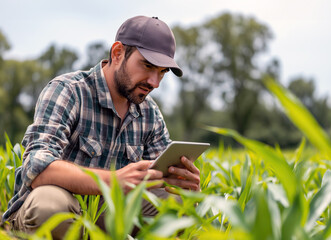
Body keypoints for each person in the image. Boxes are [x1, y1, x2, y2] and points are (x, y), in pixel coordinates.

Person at [2, 16, 200, 238]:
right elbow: (37, 168)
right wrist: (113, 181)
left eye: (162, 72)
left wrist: (184, 185)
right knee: (48, 206)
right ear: (117, 54)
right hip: (60, 209)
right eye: (148, 66)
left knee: (176, 205)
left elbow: (160, 182)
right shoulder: (68, 91)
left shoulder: (149, 112)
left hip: (107, 215)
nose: (154, 82)